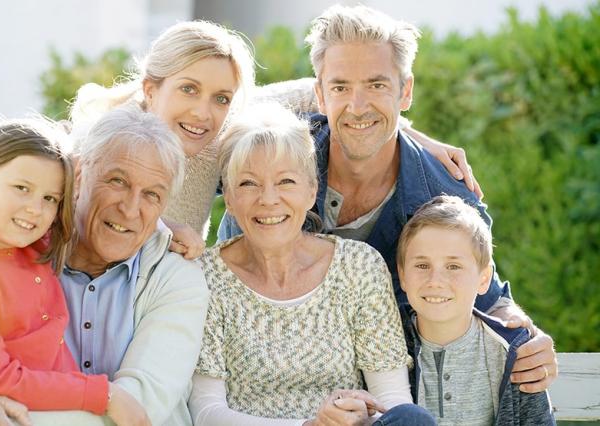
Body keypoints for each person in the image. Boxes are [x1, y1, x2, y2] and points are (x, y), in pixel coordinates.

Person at [218, 4, 558, 392]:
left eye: (377, 85)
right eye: (340, 87)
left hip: (391, 396)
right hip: (259, 387)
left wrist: (525, 336)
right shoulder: (272, 158)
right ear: (319, 96)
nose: (357, 106)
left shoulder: (446, 194)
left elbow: (487, 293)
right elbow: (198, 126)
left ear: (406, 91)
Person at [0, 107, 210, 426]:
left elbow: (138, 408)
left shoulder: (176, 278)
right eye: (117, 181)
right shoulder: (6, 251)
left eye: (152, 196)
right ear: (79, 174)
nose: (130, 209)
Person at [71, 20, 482, 259]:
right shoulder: (111, 140)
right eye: (188, 90)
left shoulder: (218, 130)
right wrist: (167, 228)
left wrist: (413, 135)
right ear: (150, 87)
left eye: (220, 98)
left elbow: (329, 93)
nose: (202, 111)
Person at [188, 102, 435, 425]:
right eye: (249, 183)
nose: (269, 199)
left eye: (286, 182)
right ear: (230, 199)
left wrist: (365, 415)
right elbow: (206, 414)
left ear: (311, 190)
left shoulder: (358, 267)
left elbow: (392, 400)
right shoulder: (205, 278)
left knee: (412, 420)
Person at [397, 195, 555, 425]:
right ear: (402, 275)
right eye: (422, 265)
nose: (436, 281)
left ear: (484, 279)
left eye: (453, 266)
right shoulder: (386, 341)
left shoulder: (510, 351)